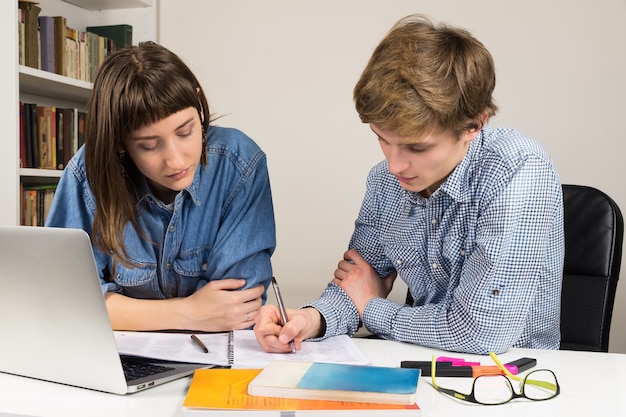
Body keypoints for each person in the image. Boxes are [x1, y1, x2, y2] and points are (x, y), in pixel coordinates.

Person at [254, 15, 563, 355]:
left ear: (474, 125)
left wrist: (372, 308)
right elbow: (358, 284)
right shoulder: (385, 181)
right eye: (383, 139)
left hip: (507, 378)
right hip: (415, 361)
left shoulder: (517, 169)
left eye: (417, 147)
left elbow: (481, 334)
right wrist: (311, 320)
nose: (394, 164)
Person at [45, 42, 276, 332]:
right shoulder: (88, 173)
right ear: (119, 142)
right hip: (121, 361)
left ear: (199, 104)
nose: (176, 160)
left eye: (186, 132)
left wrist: (120, 310)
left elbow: (236, 308)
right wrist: (189, 312)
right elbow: (64, 301)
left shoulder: (238, 163)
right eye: (149, 145)